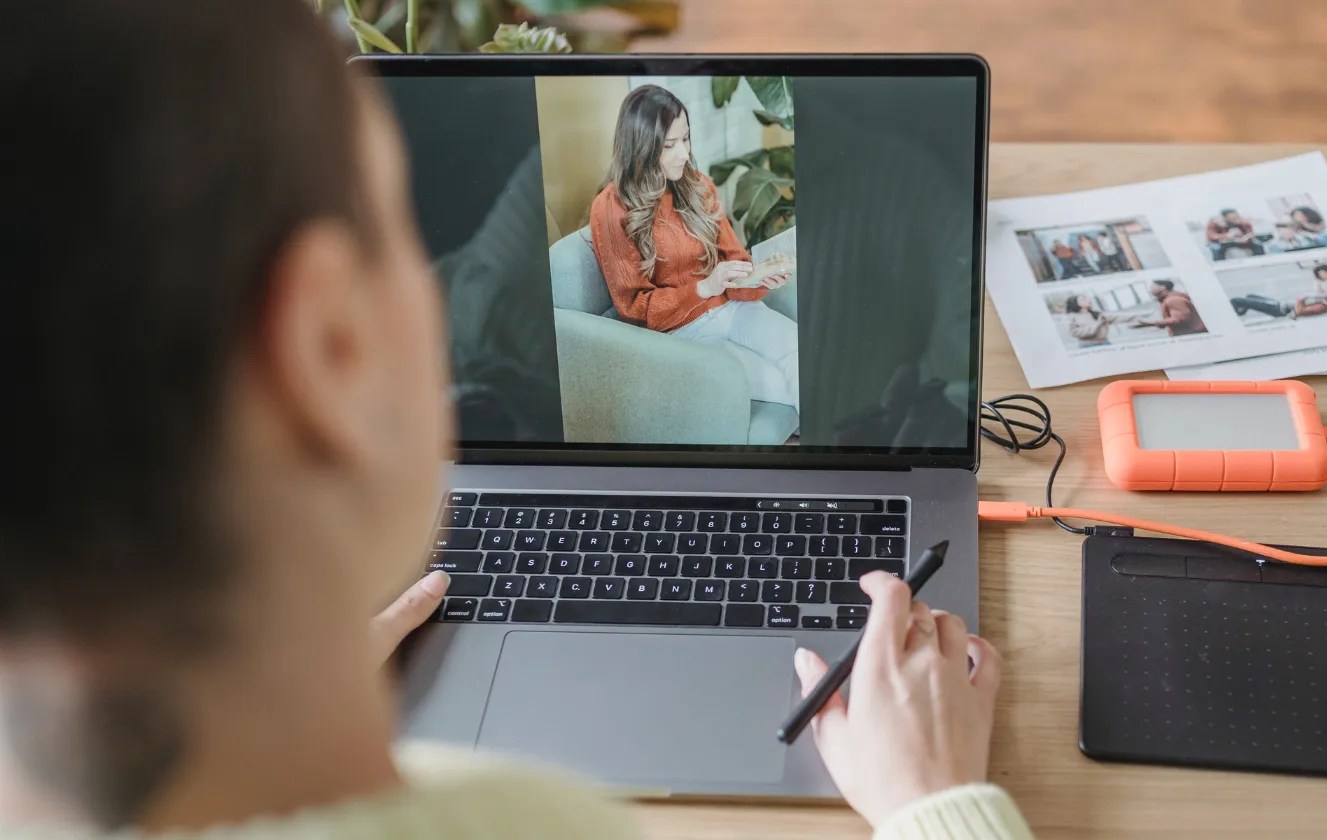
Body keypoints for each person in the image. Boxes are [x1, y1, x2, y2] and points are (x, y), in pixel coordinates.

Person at [0, 3, 1034, 840]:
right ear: (326, 344)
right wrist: (934, 808)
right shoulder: (521, 818)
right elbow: (635, 307)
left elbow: (720, 249)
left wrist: (291, 670)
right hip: (684, 342)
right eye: (402, 241)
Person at [589, 85, 799, 409]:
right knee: (783, 387)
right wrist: (703, 287)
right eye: (669, 145)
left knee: (805, 359)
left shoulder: (698, 185)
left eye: (685, 139)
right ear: (641, 147)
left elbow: (735, 258)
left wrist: (757, 278)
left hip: (732, 307)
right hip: (682, 334)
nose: (684, 154)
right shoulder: (611, 207)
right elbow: (635, 309)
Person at [1127, 279, 1206, 336]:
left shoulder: (1173, 300)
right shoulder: (1170, 299)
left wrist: (1152, 323)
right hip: (1191, 334)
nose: (1149, 290)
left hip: (1191, 336)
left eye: (1152, 287)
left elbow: (1178, 319)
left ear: (1162, 287)